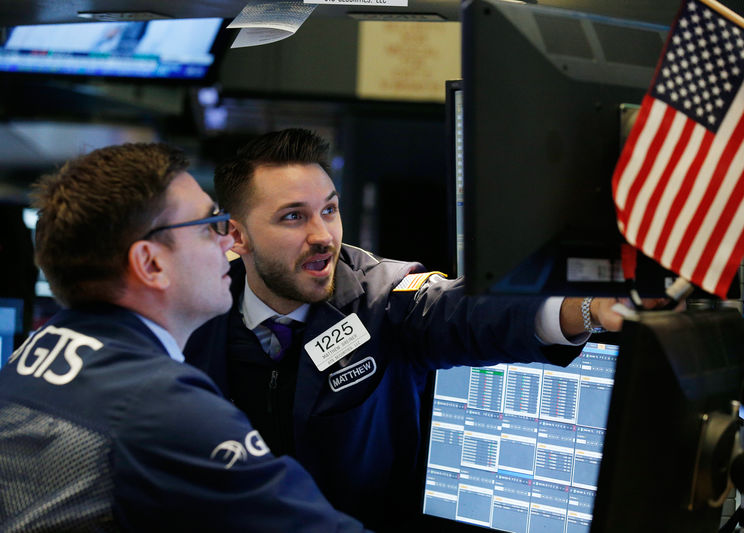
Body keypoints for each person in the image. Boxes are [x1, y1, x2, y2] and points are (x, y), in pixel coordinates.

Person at [184, 128, 628, 530]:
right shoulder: (197, 311)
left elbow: (471, 314)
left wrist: (584, 306)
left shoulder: (383, 296)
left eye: (330, 209)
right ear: (236, 237)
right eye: (293, 217)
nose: (323, 235)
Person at [0, 143, 368, 532]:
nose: (228, 241)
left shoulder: (34, 353)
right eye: (208, 225)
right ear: (151, 263)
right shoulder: (160, 406)